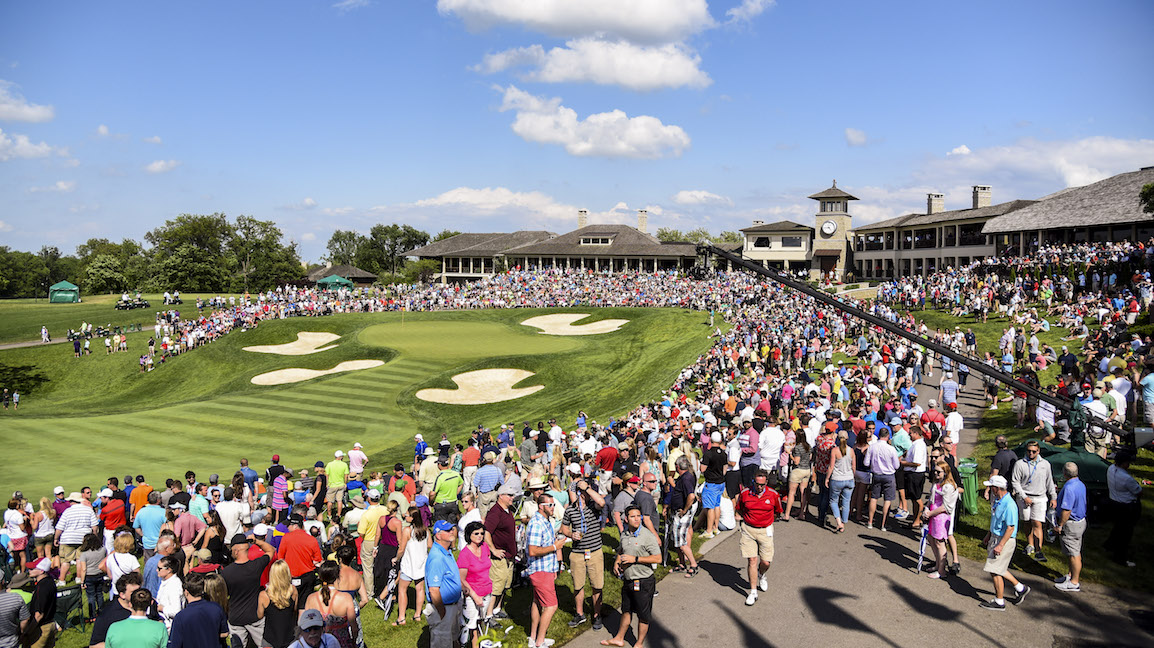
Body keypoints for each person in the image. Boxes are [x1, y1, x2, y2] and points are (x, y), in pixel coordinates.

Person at [600, 505, 660, 648]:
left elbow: (657, 558)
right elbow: (622, 549)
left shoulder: (647, 536)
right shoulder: (625, 534)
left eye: (638, 516)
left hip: (644, 581)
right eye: (633, 516)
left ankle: (638, 643)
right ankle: (619, 638)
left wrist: (636, 559)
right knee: (626, 611)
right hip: (628, 580)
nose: (637, 519)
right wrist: (617, 561)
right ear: (626, 519)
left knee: (643, 615)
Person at [561, 476, 606, 630]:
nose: (581, 496)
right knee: (578, 585)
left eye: (583, 492)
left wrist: (586, 487)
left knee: (596, 584)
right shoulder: (571, 509)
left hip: (594, 551)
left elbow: (602, 502)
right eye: (579, 492)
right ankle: (580, 614)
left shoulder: (594, 506)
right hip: (578, 552)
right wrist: (570, 534)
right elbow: (564, 528)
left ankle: (597, 614)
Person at [734, 469, 783, 606]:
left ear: (766, 482)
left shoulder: (773, 495)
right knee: (752, 560)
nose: (759, 487)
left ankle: (761, 574)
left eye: (762, 484)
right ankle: (753, 592)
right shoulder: (745, 493)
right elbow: (739, 508)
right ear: (753, 482)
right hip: (748, 530)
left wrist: (767, 522)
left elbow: (778, 512)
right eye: (757, 484)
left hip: (765, 530)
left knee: (766, 562)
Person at [980, 475, 1029, 611]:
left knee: (994, 570)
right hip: (996, 537)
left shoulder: (1009, 505)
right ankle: (1020, 588)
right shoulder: (998, 500)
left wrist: (1000, 545)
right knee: (998, 568)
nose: (989, 489)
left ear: (997, 488)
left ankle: (999, 601)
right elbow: (996, 520)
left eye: (991, 487)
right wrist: (989, 534)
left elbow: (1010, 528)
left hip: (1004, 540)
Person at [221, 532, 276, 648]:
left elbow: (223, 596)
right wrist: (256, 541)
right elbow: (271, 550)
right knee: (265, 645)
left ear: (235, 551)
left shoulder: (226, 572)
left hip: (235, 617)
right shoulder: (256, 566)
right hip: (255, 616)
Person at [526, 491, 564, 648]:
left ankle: (533, 637)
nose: (553, 507)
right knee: (551, 605)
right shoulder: (536, 524)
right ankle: (540, 642)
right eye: (550, 505)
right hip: (540, 570)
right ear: (541, 506)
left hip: (547, 568)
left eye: (554, 504)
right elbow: (533, 550)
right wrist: (555, 546)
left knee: (538, 602)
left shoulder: (546, 521)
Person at [1009, 440, 1056, 563]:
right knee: (1027, 521)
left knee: (1037, 523)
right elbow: (1015, 482)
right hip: (1024, 497)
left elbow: (1049, 481)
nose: (1031, 453)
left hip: (1040, 497)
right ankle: (1030, 544)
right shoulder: (1020, 464)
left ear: (1038, 451)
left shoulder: (1045, 464)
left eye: (1034, 451)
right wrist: (1024, 497)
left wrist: (1053, 497)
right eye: (1029, 451)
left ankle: (1039, 550)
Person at [424, 519, 463, 648]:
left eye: (452, 529)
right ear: (438, 535)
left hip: (451, 606)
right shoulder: (437, 557)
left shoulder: (446, 551)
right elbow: (434, 590)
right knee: (442, 643)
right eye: (447, 530)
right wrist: (442, 612)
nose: (452, 532)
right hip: (443, 608)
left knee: (452, 640)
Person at [483, 481, 518, 622]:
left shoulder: (507, 511)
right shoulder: (495, 512)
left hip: (509, 555)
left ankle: (497, 609)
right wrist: (493, 550)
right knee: (497, 586)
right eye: (509, 495)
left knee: (505, 584)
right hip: (499, 558)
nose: (512, 498)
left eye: (513, 495)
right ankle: (489, 614)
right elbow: (486, 532)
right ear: (501, 496)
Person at [303, 561, 357, 648]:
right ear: (337, 576)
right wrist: (353, 642)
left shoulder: (311, 598)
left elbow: (306, 626)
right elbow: (354, 627)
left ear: (320, 577)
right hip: (342, 643)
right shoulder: (346, 598)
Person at [168, 572, 229, 647]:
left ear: (186, 592)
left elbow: (175, 644)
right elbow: (224, 633)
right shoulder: (216, 608)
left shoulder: (181, 617)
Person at [457, 520, 493, 648]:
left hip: (487, 591)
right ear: (469, 535)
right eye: (476, 533)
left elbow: (487, 565)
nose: (480, 536)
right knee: (470, 625)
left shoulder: (485, 548)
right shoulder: (464, 554)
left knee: (480, 622)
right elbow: (462, 579)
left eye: (482, 533)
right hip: (472, 594)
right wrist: (474, 596)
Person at [276, 514, 323, 608]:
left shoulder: (286, 538)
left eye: (289, 525)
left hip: (290, 576)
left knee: (290, 604)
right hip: (307, 577)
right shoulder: (311, 540)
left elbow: (280, 558)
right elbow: (318, 559)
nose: (288, 528)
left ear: (295, 525)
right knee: (304, 605)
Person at [1104, 450, 1142, 567]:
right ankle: (1120, 557)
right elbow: (1138, 491)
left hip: (1114, 503)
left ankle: (1109, 544)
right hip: (1127, 506)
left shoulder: (1110, 469)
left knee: (1118, 526)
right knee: (1126, 533)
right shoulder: (1127, 478)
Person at [922, 461, 958, 579]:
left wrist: (930, 513)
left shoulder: (948, 486)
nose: (936, 473)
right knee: (931, 539)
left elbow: (945, 507)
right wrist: (926, 509)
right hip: (933, 515)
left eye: (939, 472)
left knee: (939, 542)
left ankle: (941, 571)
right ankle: (938, 565)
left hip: (941, 518)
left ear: (946, 472)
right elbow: (931, 499)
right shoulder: (936, 483)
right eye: (935, 471)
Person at [1054, 462, 1087, 591]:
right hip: (1080, 522)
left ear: (1064, 473)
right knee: (1072, 552)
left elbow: (1066, 510)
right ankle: (1070, 575)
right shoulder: (1080, 484)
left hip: (1071, 524)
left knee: (1074, 554)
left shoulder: (1069, 488)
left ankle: (1074, 582)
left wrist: (1060, 525)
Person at [393, 507, 429, 626]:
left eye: (407, 514)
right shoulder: (425, 530)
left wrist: (396, 558)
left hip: (409, 565)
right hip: (421, 564)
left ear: (412, 517)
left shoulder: (407, 530)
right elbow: (430, 545)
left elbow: (401, 549)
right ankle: (417, 614)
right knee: (420, 589)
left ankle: (401, 618)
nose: (405, 516)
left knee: (402, 590)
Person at [667, 456, 699, 576]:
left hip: (682, 514)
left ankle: (693, 565)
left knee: (682, 542)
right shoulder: (685, 477)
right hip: (677, 512)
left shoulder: (686, 478)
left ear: (677, 467)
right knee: (676, 540)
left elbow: (691, 496)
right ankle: (681, 564)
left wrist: (685, 510)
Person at [864, 428, 900, 531]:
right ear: (888, 436)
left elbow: (866, 463)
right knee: (887, 499)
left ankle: (870, 522)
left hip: (876, 474)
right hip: (889, 475)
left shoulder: (872, 447)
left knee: (874, 498)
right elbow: (896, 466)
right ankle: (884, 524)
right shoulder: (891, 449)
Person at [257, 560, 299, 648]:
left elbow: (259, 615)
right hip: (289, 637)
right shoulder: (293, 591)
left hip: (270, 639)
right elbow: (295, 610)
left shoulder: (264, 595)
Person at [825, 431, 855, 533]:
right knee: (846, 501)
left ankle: (839, 522)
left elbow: (831, 466)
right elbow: (853, 467)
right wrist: (852, 476)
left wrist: (827, 478)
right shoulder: (851, 451)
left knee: (833, 501)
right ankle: (844, 520)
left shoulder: (835, 450)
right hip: (849, 478)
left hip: (837, 479)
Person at [700, 431, 728, 538]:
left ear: (711, 440)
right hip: (720, 482)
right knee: (717, 505)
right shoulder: (723, 453)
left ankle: (709, 530)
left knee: (710, 507)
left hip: (711, 483)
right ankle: (715, 528)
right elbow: (725, 468)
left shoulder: (708, 453)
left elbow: (703, 469)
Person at [23, 558, 57, 648]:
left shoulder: (41, 587)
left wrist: (28, 632)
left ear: (41, 571)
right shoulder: (50, 581)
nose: (29, 571)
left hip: (41, 628)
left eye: (32, 569)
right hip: (51, 624)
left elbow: (39, 614)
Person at [0, 570, 30, 648]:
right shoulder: (15, 598)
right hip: (10, 642)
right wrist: (22, 632)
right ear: (3, 581)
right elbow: (25, 619)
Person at [155, 555, 184, 627]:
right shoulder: (165, 581)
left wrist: (161, 608)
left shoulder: (174, 586)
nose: (157, 570)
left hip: (170, 626)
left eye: (159, 568)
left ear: (169, 570)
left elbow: (176, 611)